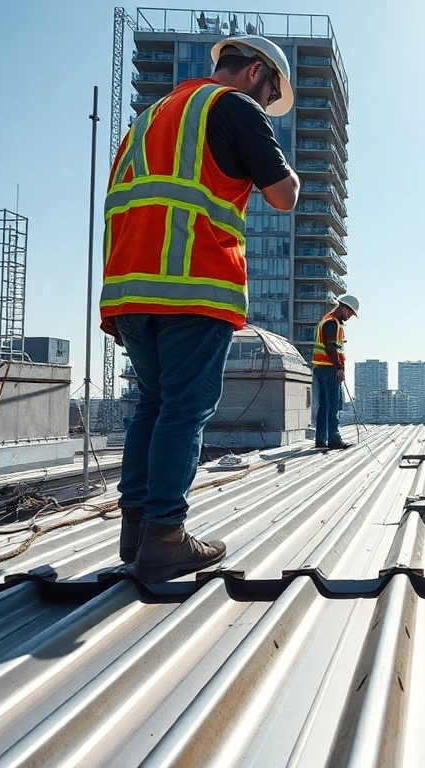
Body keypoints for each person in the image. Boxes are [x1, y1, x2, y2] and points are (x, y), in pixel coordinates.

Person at [100, 35, 300, 582]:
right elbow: (283, 195)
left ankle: (137, 531)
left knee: (154, 405)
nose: (266, 106)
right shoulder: (231, 105)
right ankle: (165, 535)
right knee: (185, 409)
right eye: (269, 94)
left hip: (132, 285)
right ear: (255, 72)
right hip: (191, 280)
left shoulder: (148, 119)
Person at [313, 294, 360, 450]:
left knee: (324, 406)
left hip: (321, 368)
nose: (350, 317)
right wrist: (339, 367)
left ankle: (321, 440)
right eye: (351, 313)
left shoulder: (327, 320)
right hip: (329, 368)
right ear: (345, 309)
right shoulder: (332, 323)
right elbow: (331, 347)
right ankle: (334, 439)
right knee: (333, 406)